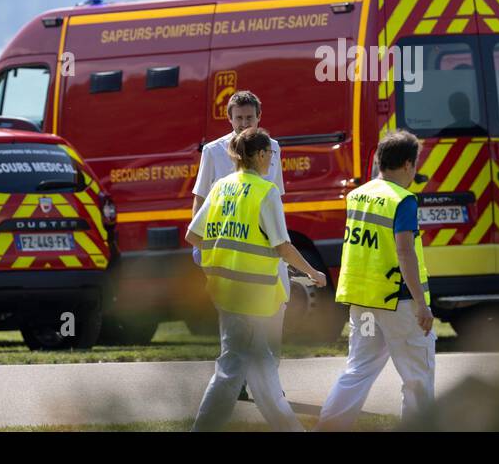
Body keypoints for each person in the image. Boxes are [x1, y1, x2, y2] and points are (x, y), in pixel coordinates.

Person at [185, 126, 327, 431]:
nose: (272, 160)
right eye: (271, 154)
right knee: (241, 368)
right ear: (261, 155)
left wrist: (222, 258)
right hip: (258, 297)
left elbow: (193, 236)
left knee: (246, 369)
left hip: (226, 293)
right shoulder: (266, 191)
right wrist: (313, 273)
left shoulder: (221, 187)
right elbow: (283, 247)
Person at [317, 130, 435, 431]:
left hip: (363, 300)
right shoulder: (403, 200)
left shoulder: (358, 195)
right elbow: (404, 251)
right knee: (417, 378)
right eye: (416, 164)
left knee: (358, 371)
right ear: (408, 165)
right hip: (399, 301)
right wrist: (422, 303)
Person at [192, 90, 287, 400]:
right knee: (233, 319)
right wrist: (202, 246)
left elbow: (276, 197)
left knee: (274, 313)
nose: (244, 123)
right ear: (229, 118)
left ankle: (269, 381)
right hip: (230, 249)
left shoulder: (272, 149)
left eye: (250, 117)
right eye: (239, 118)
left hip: (266, 248)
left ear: (259, 118)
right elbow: (202, 197)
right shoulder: (214, 151)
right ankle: (239, 383)